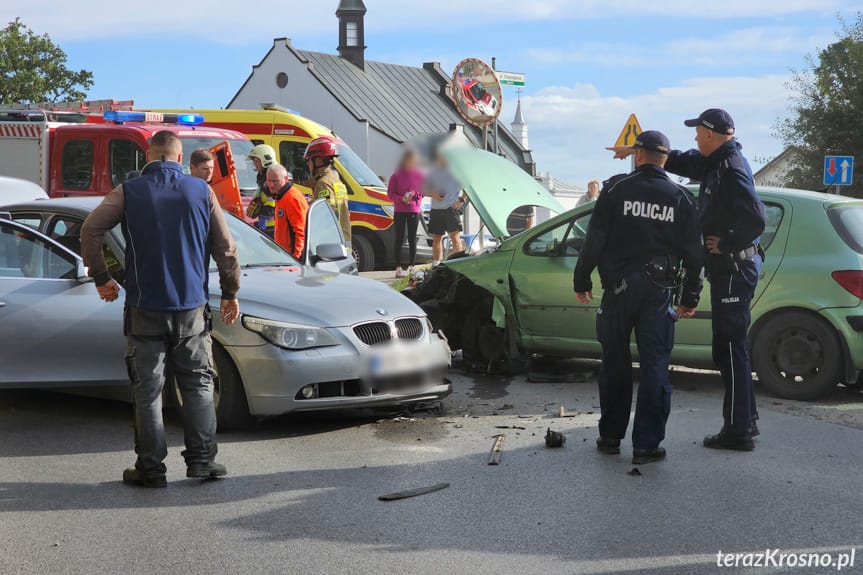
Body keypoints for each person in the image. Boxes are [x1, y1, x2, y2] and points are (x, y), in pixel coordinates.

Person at [80, 130, 241, 488]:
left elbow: (91, 229)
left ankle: (150, 469)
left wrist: (103, 277)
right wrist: (230, 291)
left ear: (148, 156)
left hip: (145, 307)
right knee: (198, 384)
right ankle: (202, 462)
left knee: (148, 390)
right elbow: (226, 248)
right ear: (180, 158)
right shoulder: (202, 191)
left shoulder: (129, 191)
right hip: (191, 309)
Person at [608, 109, 767, 451]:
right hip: (730, 269)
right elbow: (683, 161)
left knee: (729, 349)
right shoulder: (717, 161)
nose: (695, 138)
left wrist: (725, 242)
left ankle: (739, 431)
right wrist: (638, 152)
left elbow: (756, 219)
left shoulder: (731, 168)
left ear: (710, 134)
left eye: (698, 132)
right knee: (728, 350)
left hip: (733, 270)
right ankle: (744, 422)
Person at [574, 130, 704, 465]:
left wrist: (582, 277)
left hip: (618, 290)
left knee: (615, 361)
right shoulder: (681, 197)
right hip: (659, 292)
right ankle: (646, 445)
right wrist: (691, 295)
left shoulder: (616, 189)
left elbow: (595, 238)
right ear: (664, 159)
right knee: (655, 364)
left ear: (639, 155)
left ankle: (610, 437)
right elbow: (694, 254)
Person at [304, 136, 351, 245]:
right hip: (343, 238)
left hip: (329, 242)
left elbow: (325, 216)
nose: (308, 164)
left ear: (318, 160)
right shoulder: (336, 181)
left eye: (309, 160)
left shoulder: (323, 183)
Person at [386, 148, 424, 278]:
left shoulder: (419, 174)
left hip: (413, 210)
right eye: (409, 161)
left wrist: (414, 195)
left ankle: (412, 266)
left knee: (413, 239)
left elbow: (422, 192)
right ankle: (398, 267)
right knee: (399, 238)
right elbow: (390, 194)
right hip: (400, 211)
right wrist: (401, 198)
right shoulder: (396, 175)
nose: (411, 163)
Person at [424, 150, 465, 266]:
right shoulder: (433, 172)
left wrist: (461, 200)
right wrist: (434, 194)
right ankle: (436, 265)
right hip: (436, 209)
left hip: (450, 209)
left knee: (455, 238)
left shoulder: (456, 172)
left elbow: (468, 186)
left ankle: (460, 264)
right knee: (437, 238)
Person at [266, 164, 308, 259]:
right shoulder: (281, 196)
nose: (271, 185)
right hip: (285, 256)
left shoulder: (292, 198)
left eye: (275, 181)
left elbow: (301, 231)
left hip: (293, 258)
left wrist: (296, 257)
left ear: (285, 179)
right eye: (269, 181)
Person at [247, 144, 278, 238]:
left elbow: (272, 201)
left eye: (256, 160)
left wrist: (264, 216)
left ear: (265, 159)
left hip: (272, 226)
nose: (254, 163)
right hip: (268, 225)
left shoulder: (270, 178)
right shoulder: (263, 176)